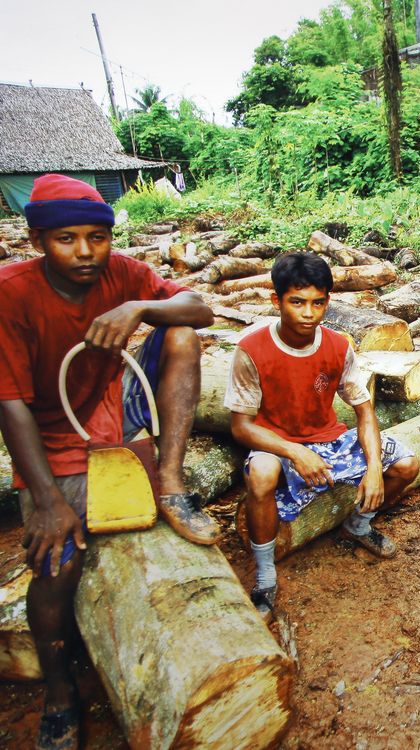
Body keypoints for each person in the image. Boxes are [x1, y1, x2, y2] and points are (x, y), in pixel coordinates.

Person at [0, 173, 218, 749]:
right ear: (36, 240)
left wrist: (140, 306)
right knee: (56, 560)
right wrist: (48, 501)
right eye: (66, 239)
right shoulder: (11, 293)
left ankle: (170, 481)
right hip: (51, 434)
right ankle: (59, 691)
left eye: (96, 237)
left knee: (181, 334)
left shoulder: (122, 273)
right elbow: (10, 404)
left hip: (112, 402)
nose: (85, 252)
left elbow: (200, 310)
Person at [226, 252, 420, 620]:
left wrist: (374, 468)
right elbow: (241, 427)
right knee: (261, 474)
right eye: (297, 302)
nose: (308, 313)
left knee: (406, 464)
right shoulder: (251, 350)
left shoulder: (337, 346)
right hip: (275, 443)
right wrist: (295, 452)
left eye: (318, 303)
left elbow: (364, 410)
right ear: (277, 301)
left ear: (328, 302)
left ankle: (358, 525)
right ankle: (265, 574)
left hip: (329, 440)